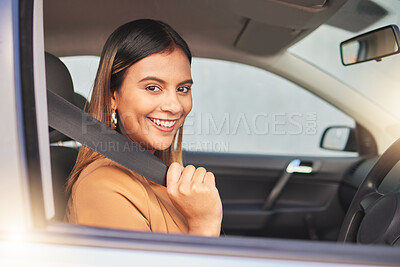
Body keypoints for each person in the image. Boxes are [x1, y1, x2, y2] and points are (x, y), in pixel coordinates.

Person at [65, 19, 222, 237]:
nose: (175, 106)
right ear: (113, 96)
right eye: (153, 87)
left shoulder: (157, 176)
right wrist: (204, 225)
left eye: (183, 88)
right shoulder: (102, 186)